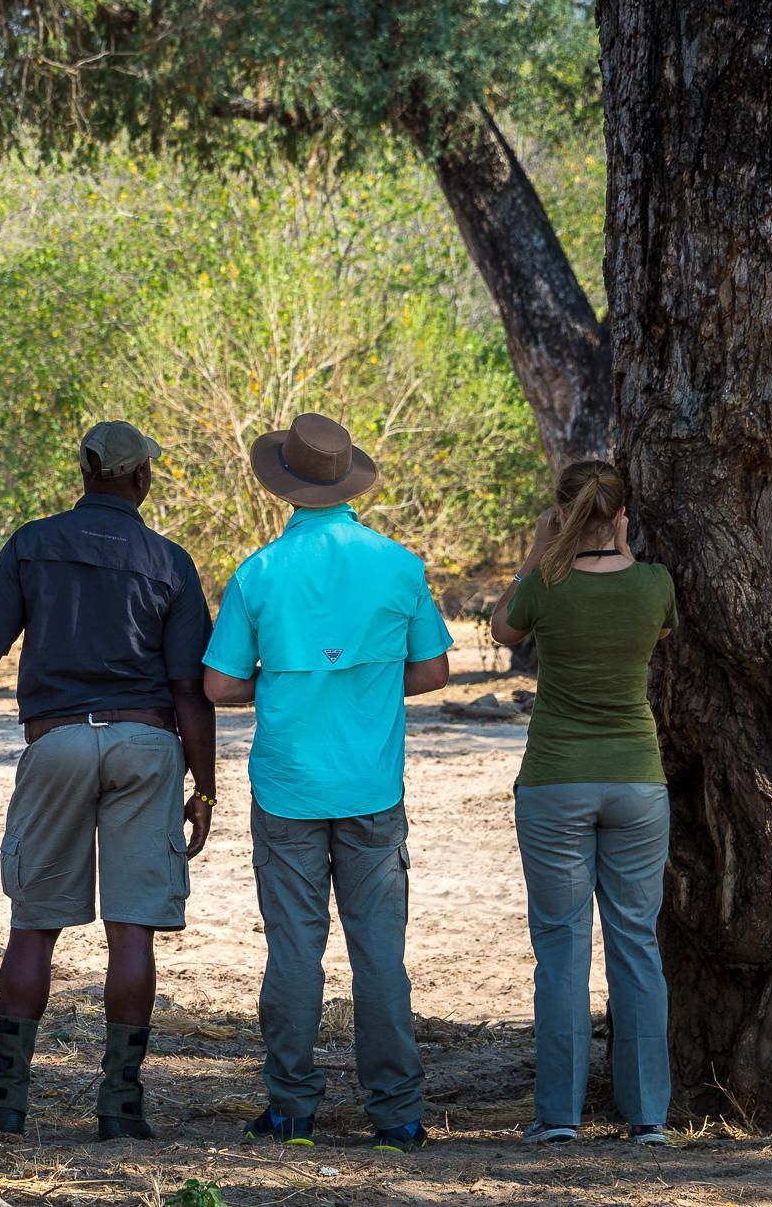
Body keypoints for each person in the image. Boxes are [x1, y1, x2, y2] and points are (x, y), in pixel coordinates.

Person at [0, 420, 218, 1141]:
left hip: (55, 742)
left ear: (83, 472)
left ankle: (9, 1098)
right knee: (132, 929)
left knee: (35, 923)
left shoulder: (31, 543)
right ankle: (121, 1104)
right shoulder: (171, 561)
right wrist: (204, 787)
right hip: (147, 744)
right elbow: (189, 690)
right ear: (141, 479)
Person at [202, 412, 451, 1154]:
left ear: (284, 486)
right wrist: (369, 681)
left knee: (293, 952)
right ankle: (398, 1116)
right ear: (348, 482)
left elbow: (217, 685)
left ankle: (290, 1110)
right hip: (373, 788)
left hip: (287, 789)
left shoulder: (259, 573)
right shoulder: (399, 565)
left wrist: (276, 686)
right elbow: (435, 671)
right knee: (379, 956)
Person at [489, 460, 676, 1148]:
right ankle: (648, 1116)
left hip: (555, 782)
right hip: (636, 781)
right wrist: (618, 544)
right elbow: (651, 630)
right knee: (636, 947)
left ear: (563, 514)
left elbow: (503, 629)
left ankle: (559, 1117)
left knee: (562, 948)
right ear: (623, 512)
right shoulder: (655, 584)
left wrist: (543, 548)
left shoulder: (545, 587)